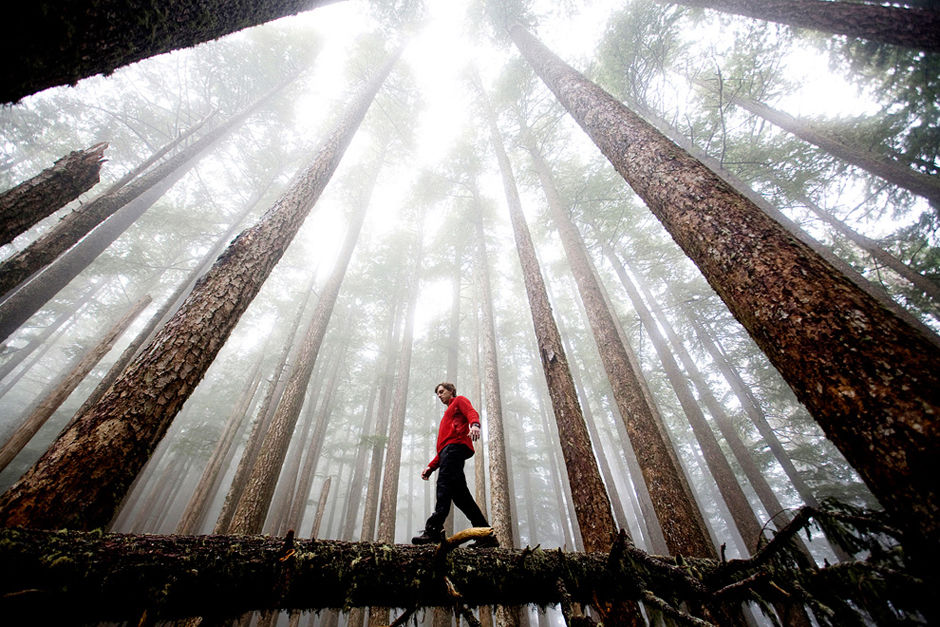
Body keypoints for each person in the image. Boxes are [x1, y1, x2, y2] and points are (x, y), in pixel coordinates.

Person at [411, 382, 499, 547]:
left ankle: (433, 530)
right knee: (462, 498)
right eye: (437, 393)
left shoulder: (459, 401)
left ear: (451, 391)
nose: (439, 395)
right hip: (447, 452)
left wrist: (474, 425)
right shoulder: (447, 415)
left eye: (442, 391)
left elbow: (472, 412)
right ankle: (486, 535)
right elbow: (443, 447)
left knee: (443, 486)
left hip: (455, 449)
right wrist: (431, 466)